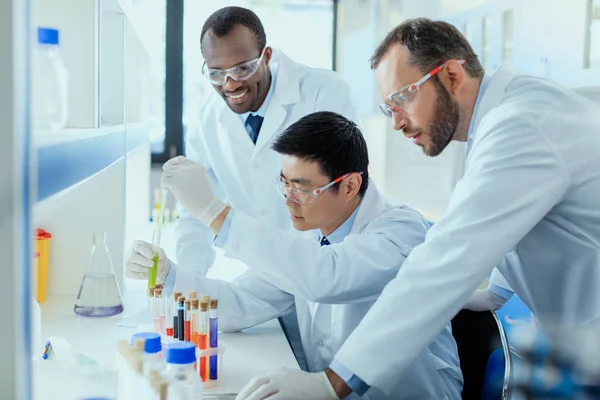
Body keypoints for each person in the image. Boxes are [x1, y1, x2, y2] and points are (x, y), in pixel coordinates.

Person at [234, 18, 600, 399]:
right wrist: (497, 290)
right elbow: (526, 217)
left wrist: (334, 382)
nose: (396, 122)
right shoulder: (510, 116)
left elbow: (449, 257)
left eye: (402, 99)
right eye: (387, 106)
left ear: (453, 76)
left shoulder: (519, 124)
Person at [128, 112, 464, 399]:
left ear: (348, 186)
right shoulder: (311, 232)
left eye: (301, 189)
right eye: (284, 184)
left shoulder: (401, 231)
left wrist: (215, 212)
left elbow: (325, 278)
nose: (288, 200)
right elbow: (241, 302)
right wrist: (169, 275)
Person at [127, 6, 357, 370]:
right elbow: (195, 213)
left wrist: (215, 219)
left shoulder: (322, 93)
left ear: (266, 56)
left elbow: (336, 197)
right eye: (216, 73)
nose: (230, 84)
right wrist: (186, 279)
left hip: (324, 268)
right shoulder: (207, 119)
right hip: (269, 272)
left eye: (243, 69)